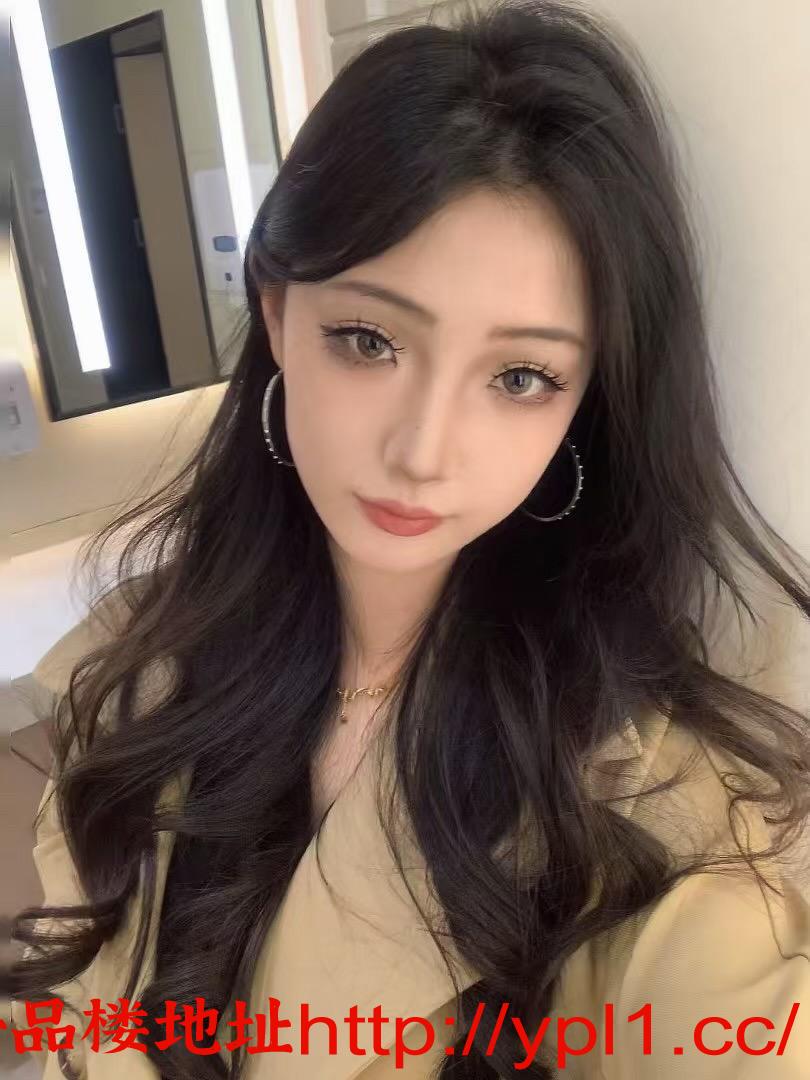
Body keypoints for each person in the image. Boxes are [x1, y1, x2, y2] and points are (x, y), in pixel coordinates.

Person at [8, 1, 810, 1077]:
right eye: (368, 339)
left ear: (586, 402)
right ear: (278, 315)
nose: (424, 451)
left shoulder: (663, 820)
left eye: (519, 376)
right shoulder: (143, 657)